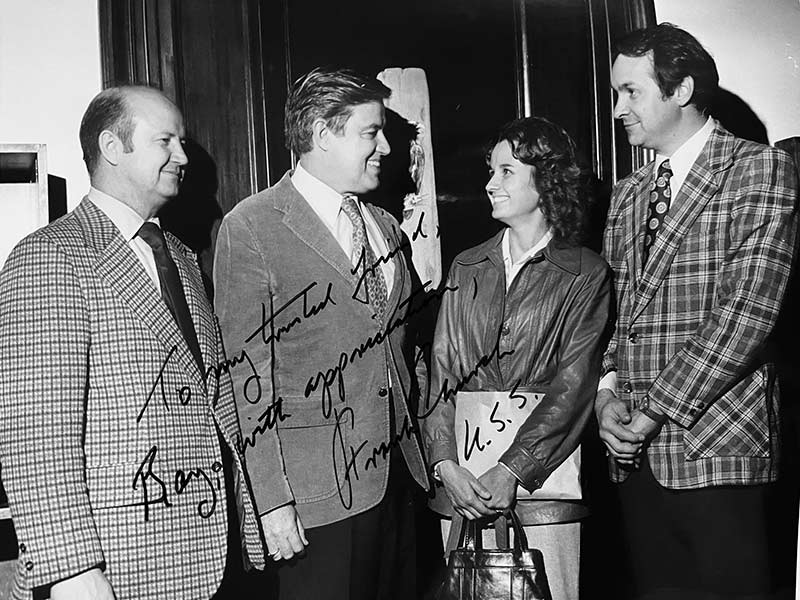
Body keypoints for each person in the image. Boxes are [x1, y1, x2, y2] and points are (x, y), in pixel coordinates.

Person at [0, 86, 265, 599]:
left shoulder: (182, 258)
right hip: (118, 570)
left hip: (211, 555)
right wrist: (72, 570)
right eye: (165, 140)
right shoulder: (49, 257)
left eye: (181, 142)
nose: (183, 156)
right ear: (112, 147)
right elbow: (36, 434)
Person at [597, 23, 799, 599]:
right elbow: (621, 314)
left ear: (681, 89)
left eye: (631, 92)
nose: (618, 109)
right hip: (635, 457)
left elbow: (745, 317)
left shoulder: (759, 170)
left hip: (716, 449)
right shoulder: (629, 193)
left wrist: (652, 412)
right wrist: (608, 390)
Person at [213, 67, 430, 600]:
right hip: (317, 498)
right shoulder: (253, 226)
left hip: (400, 482)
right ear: (321, 134)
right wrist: (271, 500)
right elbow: (246, 379)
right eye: (369, 132)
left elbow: (403, 349)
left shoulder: (384, 225)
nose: (384, 147)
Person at [422, 117, 612, 600]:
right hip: (462, 490)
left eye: (506, 171)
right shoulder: (467, 265)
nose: (490, 183)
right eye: (491, 171)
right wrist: (445, 464)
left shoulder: (585, 273)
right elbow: (442, 375)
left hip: (544, 494)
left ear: (545, 180)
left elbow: (574, 387)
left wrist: (512, 470)